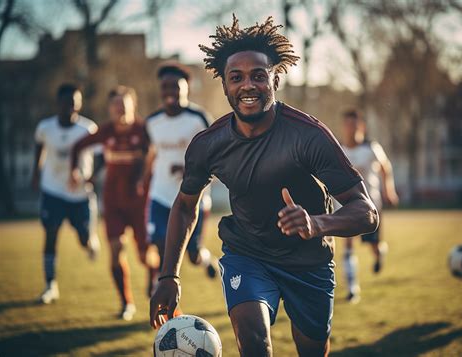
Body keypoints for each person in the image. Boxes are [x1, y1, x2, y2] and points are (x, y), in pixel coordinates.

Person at [149, 16, 379, 357]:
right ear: (225, 85)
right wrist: (169, 276)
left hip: (309, 262)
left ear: (276, 78)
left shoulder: (308, 136)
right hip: (247, 254)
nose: (248, 86)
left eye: (259, 75)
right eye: (236, 77)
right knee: (254, 342)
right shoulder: (208, 145)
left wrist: (317, 224)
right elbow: (184, 206)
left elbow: (367, 212)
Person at [70, 85, 158, 321]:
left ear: (133, 105)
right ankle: (126, 303)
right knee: (116, 250)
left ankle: (153, 279)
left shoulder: (144, 129)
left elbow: (153, 156)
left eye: (123, 104)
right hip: (114, 203)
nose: (119, 108)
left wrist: (143, 178)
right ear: (110, 108)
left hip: (140, 204)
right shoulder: (105, 131)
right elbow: (78, 147)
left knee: (143, 254)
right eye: (115, 105)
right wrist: (75, 172)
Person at [143, 62, 218, 294]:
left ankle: (206, 260)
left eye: (175, 87)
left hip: (192, 199)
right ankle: (163, 291)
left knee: (192, 254)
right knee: (158, 244)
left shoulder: (199, 118)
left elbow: (216, 159)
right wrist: (142, 179)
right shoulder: (152, 122)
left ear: (187, 88)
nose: (170, 93)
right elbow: (150, 155)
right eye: (165, 87)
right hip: (160, 194)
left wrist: (190, 172)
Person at [31, 83, 100, 305]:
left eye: (74, 102)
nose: (70, 106)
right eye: (66, 102)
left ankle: (90, 242)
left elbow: (100, 156)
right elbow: (39, 146)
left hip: (79, 194)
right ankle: (50, 285)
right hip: (52, 190)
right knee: (50, 234)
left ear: (79, 104)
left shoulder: (88, 129)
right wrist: (36, 172)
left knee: (82, 238)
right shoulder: (45, 127)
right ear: (58, 103)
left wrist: (91, 177)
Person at [339, 109, 399, 303]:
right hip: (346, 205)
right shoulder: (339, 149)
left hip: (370, 205)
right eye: (347, 125)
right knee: (347, 245)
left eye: (354, 125)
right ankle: (352, 289)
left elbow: (385, 167)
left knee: (373, 245)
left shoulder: (371, 147)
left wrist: (389, 190)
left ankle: (379, 254)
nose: (351, 129)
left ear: (361, 127)